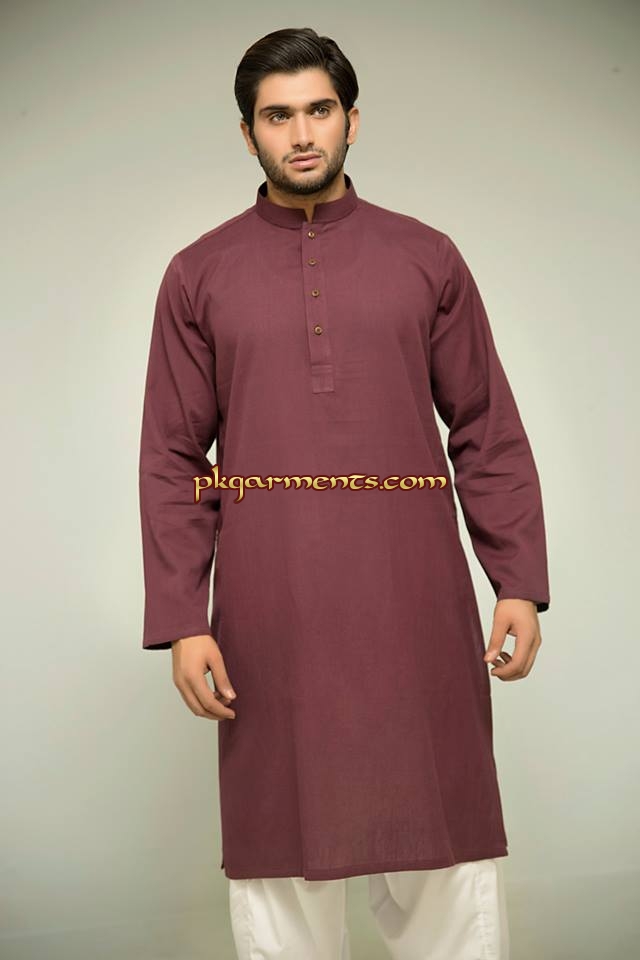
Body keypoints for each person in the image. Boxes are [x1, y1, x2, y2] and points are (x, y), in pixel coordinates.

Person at [138, 26, 550, 960]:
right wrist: (184, 618)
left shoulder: (427, 256)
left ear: (352, 120)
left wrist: (518, 580)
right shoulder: (198, 273)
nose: (301, 133)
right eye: (277, 116)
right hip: (269, 605)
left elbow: (485, 427)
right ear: (248, 133)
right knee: (281, 858)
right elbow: (172, 456)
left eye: (319, 110)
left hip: (415, 599)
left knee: (445, 853)